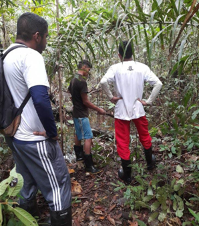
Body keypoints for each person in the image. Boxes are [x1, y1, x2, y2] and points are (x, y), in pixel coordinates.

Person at [3, 12, 72, 225]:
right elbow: (40, 99)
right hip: (34, 137)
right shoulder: (31, 56)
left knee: (25, 179)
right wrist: (52, 132)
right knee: (58, 183)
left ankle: (28, 218)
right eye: (46, 36)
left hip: (13, 133)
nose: (46, 41)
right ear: (36, 36)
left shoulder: (5, 55)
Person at [100, 40, 162, 185]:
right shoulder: (142, 67)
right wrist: (149, 101)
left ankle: (127, 176)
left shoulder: (115, 68)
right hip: (138, 107)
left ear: (119, 55)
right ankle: (150, 163)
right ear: (132, 53)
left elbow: (103, 82)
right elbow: (158, 83)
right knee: (144, 135)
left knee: (123, 142)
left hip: (121, 109)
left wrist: (111, 97)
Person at [68, 60, 106, 174]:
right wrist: (98, 109)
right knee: (88, 137)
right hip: (81, 114)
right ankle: (89, 165)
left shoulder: (74, 78)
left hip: (75, 112)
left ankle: (80, 159)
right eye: (88, 70)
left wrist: (76, 101)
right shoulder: (82, 81)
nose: (88, 73)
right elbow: (86, 102)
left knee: (78, 134)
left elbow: (70, 92)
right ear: (84, 67)